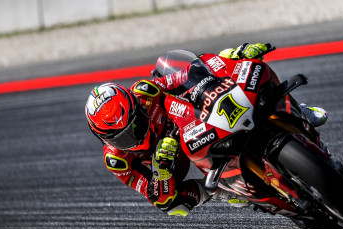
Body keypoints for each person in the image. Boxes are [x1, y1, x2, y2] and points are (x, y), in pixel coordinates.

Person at [84, 43, 328, 217]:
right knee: (174, 205)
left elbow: (184, 75)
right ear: (105, 138)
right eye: (125, 135)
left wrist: (229, 58)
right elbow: (157, 197)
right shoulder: (117, 160)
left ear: (136, 104)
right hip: (171, 163)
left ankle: (294, 112)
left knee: (240, 84)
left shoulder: (144, 91)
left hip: (186, 123)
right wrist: (161, 170)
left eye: (136, 122)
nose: (135, 133)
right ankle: (223, 189)